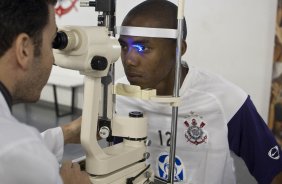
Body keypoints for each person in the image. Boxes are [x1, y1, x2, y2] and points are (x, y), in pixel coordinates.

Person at [116, 0, 282, 183]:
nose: (129, 60)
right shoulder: (120, 95)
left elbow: (273, 172)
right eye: (125, 46)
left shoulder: (224, 99)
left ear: (179, 49)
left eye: (143, 48)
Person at [0, 0, 90, 183]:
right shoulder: (17, 149)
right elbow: (19, 152)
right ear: (24, 50)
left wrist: (66, 132)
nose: (52, 60)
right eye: (51, 43)